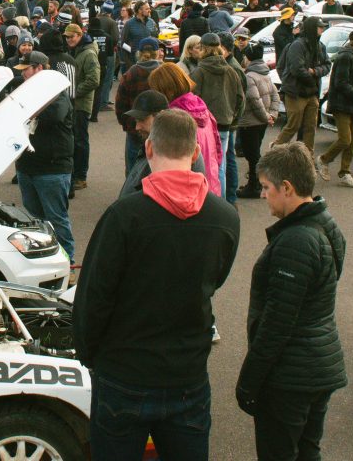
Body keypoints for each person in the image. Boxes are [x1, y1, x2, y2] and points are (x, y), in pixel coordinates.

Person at [76, 108, 239, 461]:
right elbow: (215, 279)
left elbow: (94, 297)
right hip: (187, 374)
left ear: (149, 148)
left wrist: (90, 354)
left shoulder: (124, 215)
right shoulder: (226, 218)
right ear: (195, 153)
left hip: (123, 371)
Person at [236, 142, 347, 461]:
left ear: (287, 187)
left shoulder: (296, 241)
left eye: (266, 187)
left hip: (291, 377)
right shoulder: (326, 222)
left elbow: (277, 322)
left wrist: (249, 381)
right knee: (308, 450)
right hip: (319, 365)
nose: (262, 195)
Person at [12, 51, 76, 256]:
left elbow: (55, 115)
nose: (23, 74)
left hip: (52, 168)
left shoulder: (57, 92)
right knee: (35, 219)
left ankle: (68, 260)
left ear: (39, 68)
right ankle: (44, 257)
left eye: (26, 70)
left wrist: (26, 108)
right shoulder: (25, 90)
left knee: (57, 218)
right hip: (27, 167)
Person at [151, 62, 224, 195]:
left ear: (167, 90)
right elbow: (218, 148)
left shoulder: (174, 118)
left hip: (188, 189)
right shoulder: (203, 109)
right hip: (210, 183)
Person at [190, 32, 246, 201]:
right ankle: (221, 203)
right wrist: (233, 119)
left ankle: (207, 203)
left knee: (202, 166)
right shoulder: (231, 71)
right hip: (225, 125)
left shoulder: (199, 72)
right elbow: (241, 99)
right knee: (220, 167)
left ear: (203, 48)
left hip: (204, 127)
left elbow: (191, 101)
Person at [320, 30, 353, 187]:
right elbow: (341, 83)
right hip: (342, 105)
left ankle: (345, 173)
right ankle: (323, 160)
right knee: (345, 139)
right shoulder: (346, 57)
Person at [273, 17, 329, 150]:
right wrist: (312, 80)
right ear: (312, 28)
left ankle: (307, 155)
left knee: (310, 127)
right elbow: (297, 69)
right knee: (293, 125)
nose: (322, 29)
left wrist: (315, 71)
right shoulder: (297, 45)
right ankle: (274, 151)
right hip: (296, 92)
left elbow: (327, 65)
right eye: (320, 27)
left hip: (312, 93)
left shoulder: (320, 46)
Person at [234, 45, 281, 199]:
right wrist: (272, 115)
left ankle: (255, 186)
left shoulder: (249, 76)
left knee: (252, 155)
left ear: (248, 58)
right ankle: (255, 184)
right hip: (261, 122)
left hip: (250, 122)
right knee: (254, 153)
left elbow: (254, 100)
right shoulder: (265, 74)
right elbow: (275, 96)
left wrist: (267, 116)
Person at [115, 38, 166, 174]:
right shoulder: (164, 72)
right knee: (158, 169)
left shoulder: (131, 73)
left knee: (133, 171)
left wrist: (127, 124)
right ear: (157, 52)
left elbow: (120, 104)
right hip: (161, 128)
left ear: (139, 53)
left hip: (135, 128)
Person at [65, 23, 102, 191]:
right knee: (74, 140)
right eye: (67, 37)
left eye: (71, 36)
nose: (69, 40)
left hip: (81, 104)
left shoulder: (88, 53)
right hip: (73, 102)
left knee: (80, 141)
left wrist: (73, 92)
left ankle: (81, 176)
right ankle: (75, 174)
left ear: (80, 35)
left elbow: (94, 80)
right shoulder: (75, 51)